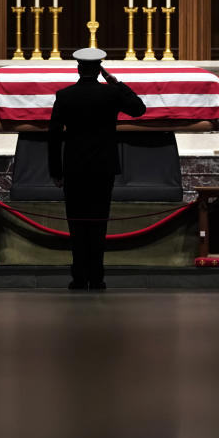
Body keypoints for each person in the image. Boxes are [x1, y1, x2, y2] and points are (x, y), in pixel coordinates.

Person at [48, 48, 146, 291]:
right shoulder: (111, 93)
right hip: (103, 169)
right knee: (98, 224)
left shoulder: (65, 95)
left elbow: (53, 137)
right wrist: (117, 83)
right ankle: (97, 277)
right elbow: (139, 109)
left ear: (78, 69)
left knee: (77, 224)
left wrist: (55, 171)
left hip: (74, 169)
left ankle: (79, 277)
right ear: (99, 70)